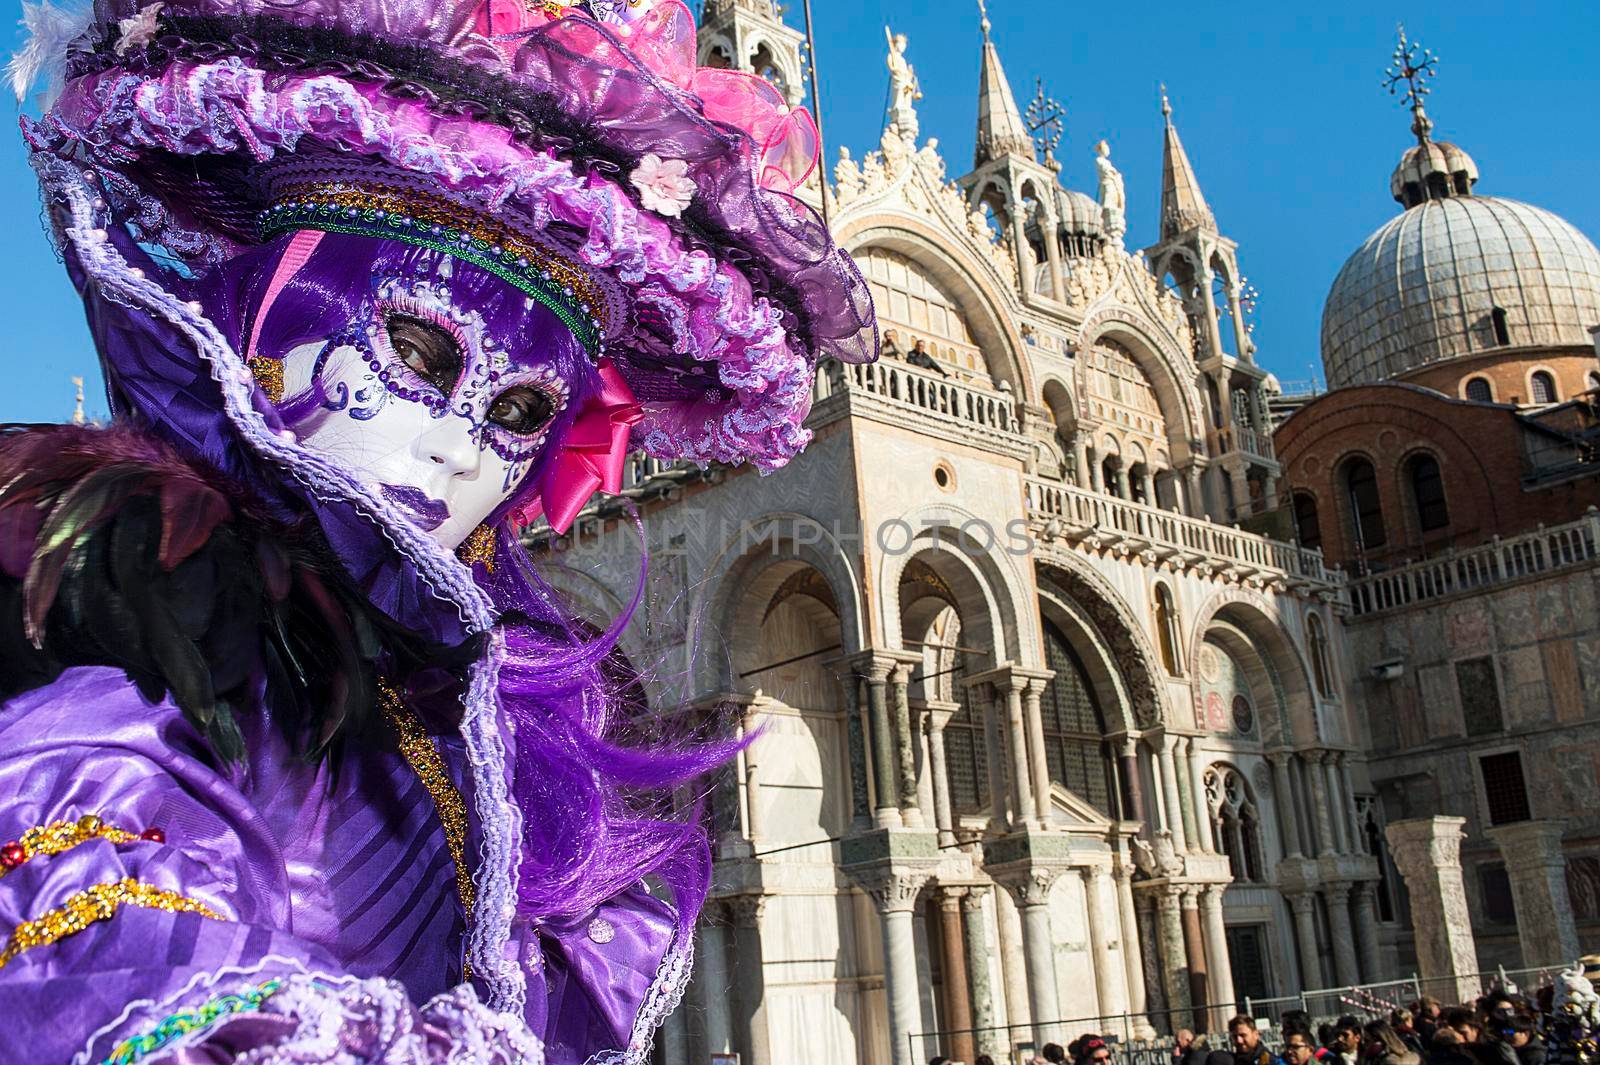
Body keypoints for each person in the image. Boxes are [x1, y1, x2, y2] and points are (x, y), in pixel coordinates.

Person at [0, 0, 876, 1061]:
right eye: (419, 351)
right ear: (268, 316)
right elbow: (105, 950)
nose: (464, 452)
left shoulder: (463, 697)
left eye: (518, 415)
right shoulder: (134, 636)